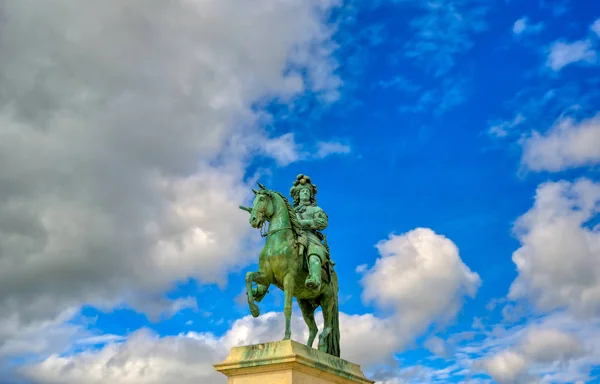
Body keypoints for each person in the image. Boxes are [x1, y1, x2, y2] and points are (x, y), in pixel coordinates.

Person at [290, 174, 330, 291]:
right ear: (298, 195)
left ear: (311, 195)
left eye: (307, 191)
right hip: (293, 236)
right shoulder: (291, 211)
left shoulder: (316, 210)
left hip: (310, 237)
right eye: (302, 191)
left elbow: (322, 223)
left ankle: (315, 277)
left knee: (313, 252)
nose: (305, 193)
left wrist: (305, 222)